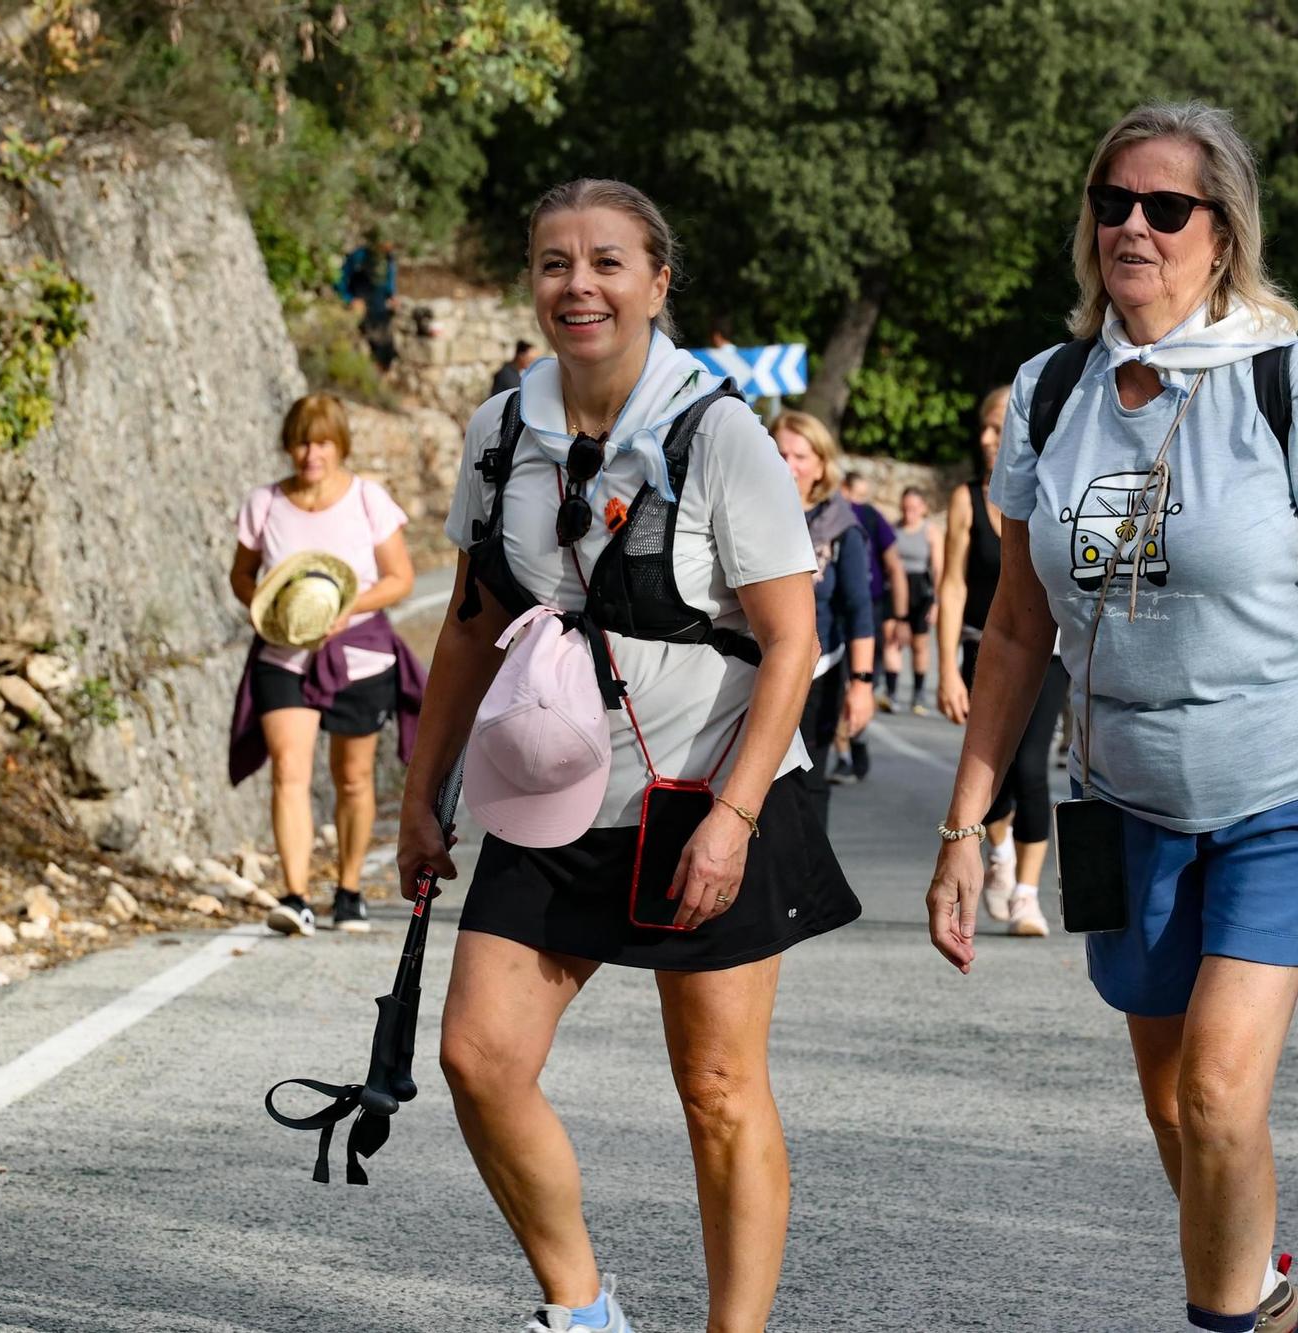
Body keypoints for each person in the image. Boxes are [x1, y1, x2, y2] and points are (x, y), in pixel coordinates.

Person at [927, 101, 1298, 1333]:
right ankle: (1263, 1300)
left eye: (1165, 207)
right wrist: (962, 824)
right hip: (1116, 801)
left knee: (1211, 1097)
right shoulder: (1048, 393)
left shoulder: (1288, 384)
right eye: (1111, 203)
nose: (1131, 227)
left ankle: (1224, 1324)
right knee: (1174, 1113)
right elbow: (1014, 632)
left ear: (1221, 233)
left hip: (1277, 797)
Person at [397, 179, 860, 1333]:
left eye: (607, 263)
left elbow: (792, 642)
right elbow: (466, 622)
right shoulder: (501, 429)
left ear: (657, 282)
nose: (578, 285)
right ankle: (583, 1308)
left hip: (709, 788)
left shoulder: (720, 434)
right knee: (476, 1056)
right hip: (550, 791)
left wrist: (733, 818)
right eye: (555, 263)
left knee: (715, 1090)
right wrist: (421, 791)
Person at [228, 393, 422, 936]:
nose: (310, 454)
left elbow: (399, 578)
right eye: (301, 442)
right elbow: (240, 575)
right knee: (289, 772)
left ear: (340, 445)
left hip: (359, 654)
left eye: (322, 442)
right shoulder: (264, 503)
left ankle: (350, 889)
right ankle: (295, 896)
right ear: (287, 445)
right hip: (283, 653)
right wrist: (274, 604)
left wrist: (345, 607)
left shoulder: (367, 500)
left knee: (354, 778)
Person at [937, 386, 1069, 939]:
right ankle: (1000, 856)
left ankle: (1027, 894)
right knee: (997, 768)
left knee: (1032, 763)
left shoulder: (1057, 487)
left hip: (1054, 652)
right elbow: (950, 588)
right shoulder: (968, 498)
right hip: (983, 646)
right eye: (985, 430)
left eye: (998, 428)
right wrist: (945, 669)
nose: (989, 440)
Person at [770, 411, 877, 822]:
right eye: (779, 453)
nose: (788, 465)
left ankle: (810, 881)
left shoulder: (840, 527)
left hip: (818, 674)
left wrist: (862, 685)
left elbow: (858, 611)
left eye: (799, 455)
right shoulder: (747, 514)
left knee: (805, 781)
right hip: (753, 668)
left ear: (820, 465)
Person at [833, 471, 905, 779]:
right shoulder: (827, 513)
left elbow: (894, 567)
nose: (858, 501)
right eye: (857, 493)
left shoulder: (871, 517)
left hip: (867, 610)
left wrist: (899, 617)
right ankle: (847, 753)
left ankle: (854, 746)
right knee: (841, 685)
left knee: (859, 683)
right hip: (833, 610)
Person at [886, 485, 942, 715]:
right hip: (896, 587)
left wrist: (937, 602)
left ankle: (918, 694)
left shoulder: (930, 531)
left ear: (923, 509)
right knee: (892, 639)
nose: (909, 513)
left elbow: (938, 567)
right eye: (905, 508)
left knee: (920, 644)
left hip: (921, 589)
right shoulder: (893, 529)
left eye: (914, 508)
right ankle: (891, 693)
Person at [336, 234, 399, 370]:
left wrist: (393, 296)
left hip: (380, 309)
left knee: (385, 349)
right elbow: (339, 280)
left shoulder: (389, 259)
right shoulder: (358, 257)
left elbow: (390, 282)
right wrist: (349, 299)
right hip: (360, 310)